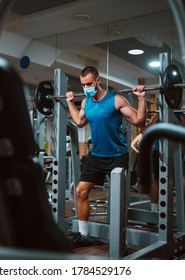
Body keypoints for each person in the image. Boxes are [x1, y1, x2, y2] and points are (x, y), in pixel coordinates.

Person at [66, 66, 147, 248]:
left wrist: (141, 99)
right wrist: (71, 103)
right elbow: (79, 122)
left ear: (97, 81)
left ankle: (121, 241)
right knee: (80, 191)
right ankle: (84, 234)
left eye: (89, 83)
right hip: (96, 156)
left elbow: (138, 121)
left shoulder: (116, 99)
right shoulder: (87, 102)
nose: (86, 87)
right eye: (83, 84)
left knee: (118, 200)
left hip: (117, 156)